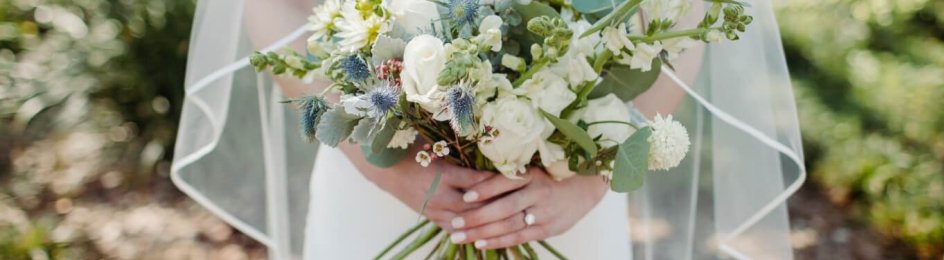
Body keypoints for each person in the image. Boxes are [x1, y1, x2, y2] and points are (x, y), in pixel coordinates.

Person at [173, 0, 805, 259]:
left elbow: (680, 14)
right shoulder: (378, 174)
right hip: (376, 188)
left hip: (570, 196)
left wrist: (598, 176)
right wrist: (379, 165)